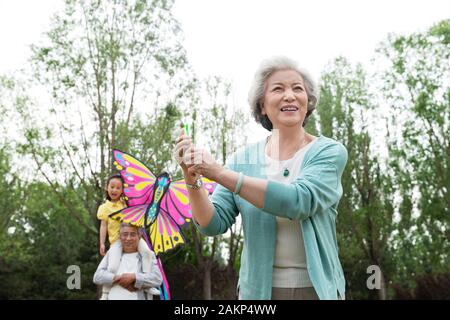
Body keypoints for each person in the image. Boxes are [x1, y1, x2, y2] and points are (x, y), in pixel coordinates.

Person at [174, 56, 348, 300]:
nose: (290, 95)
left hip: (318, 290)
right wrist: (191, 178)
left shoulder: (329, 152)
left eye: (297, 88)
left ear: (307, 102)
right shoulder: (242, 159)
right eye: (278, 88)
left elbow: (298, 202)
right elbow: (212, 224)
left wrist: (219, 173)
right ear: (262, 105)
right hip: (258, 293)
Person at [97, 174, 159, 299]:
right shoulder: (104, 208)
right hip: (116, 241)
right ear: (106, 188)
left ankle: (148, 286)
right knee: (112, 266)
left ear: (122, 190)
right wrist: (102, 243)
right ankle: (105, 293)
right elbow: (103, 226)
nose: (114, 190)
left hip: (132, 238)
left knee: (147, 252)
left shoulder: (125, 204)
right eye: (112, 187)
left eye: (118, 188)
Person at [93, 223, 163, 300]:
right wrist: (117, 278)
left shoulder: (148, 256)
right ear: (120, 236)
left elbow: (157, 278)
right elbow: (97, 276)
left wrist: (134, 278)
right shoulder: (112, 254)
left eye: (132, 234)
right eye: (125, 234)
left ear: (139, 236)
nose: (128, 238)